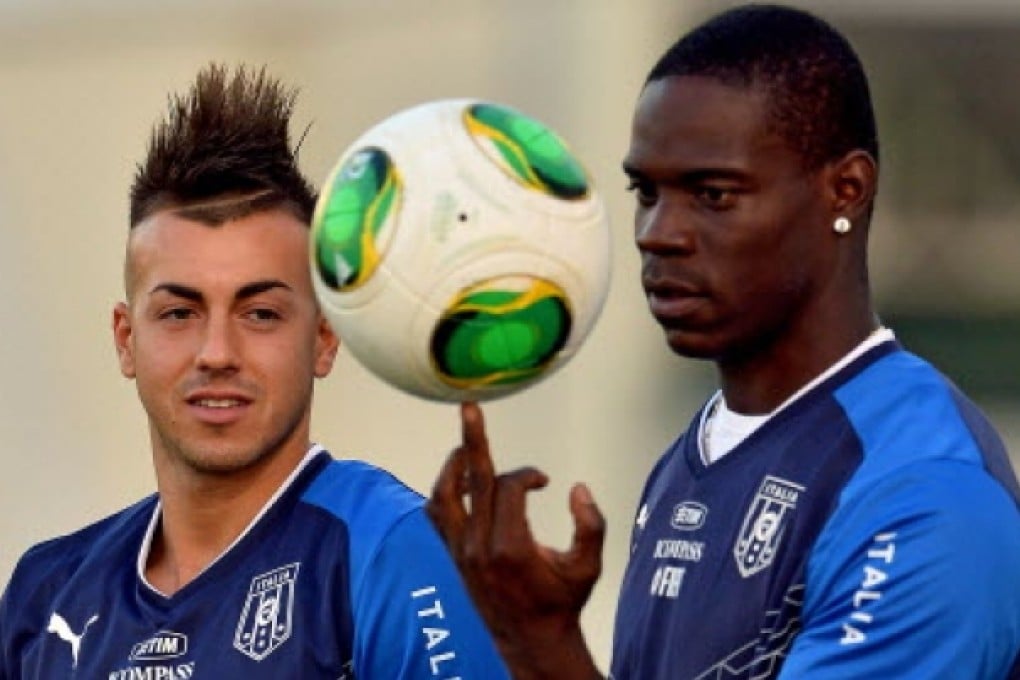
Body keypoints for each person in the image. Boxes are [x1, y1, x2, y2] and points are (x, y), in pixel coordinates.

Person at [428, 4, 1020, 679]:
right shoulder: (697, 454)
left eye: (711, 194)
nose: (658, 231)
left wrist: (541, 644)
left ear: (845, 190)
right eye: (645, 191)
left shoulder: (922, 493)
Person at [0, 64, 509, 679]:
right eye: (179, 312)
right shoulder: (47, 593)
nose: (217, 351)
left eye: (261, 312)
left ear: (324, 338)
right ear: (126, 339)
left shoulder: (389, 551)